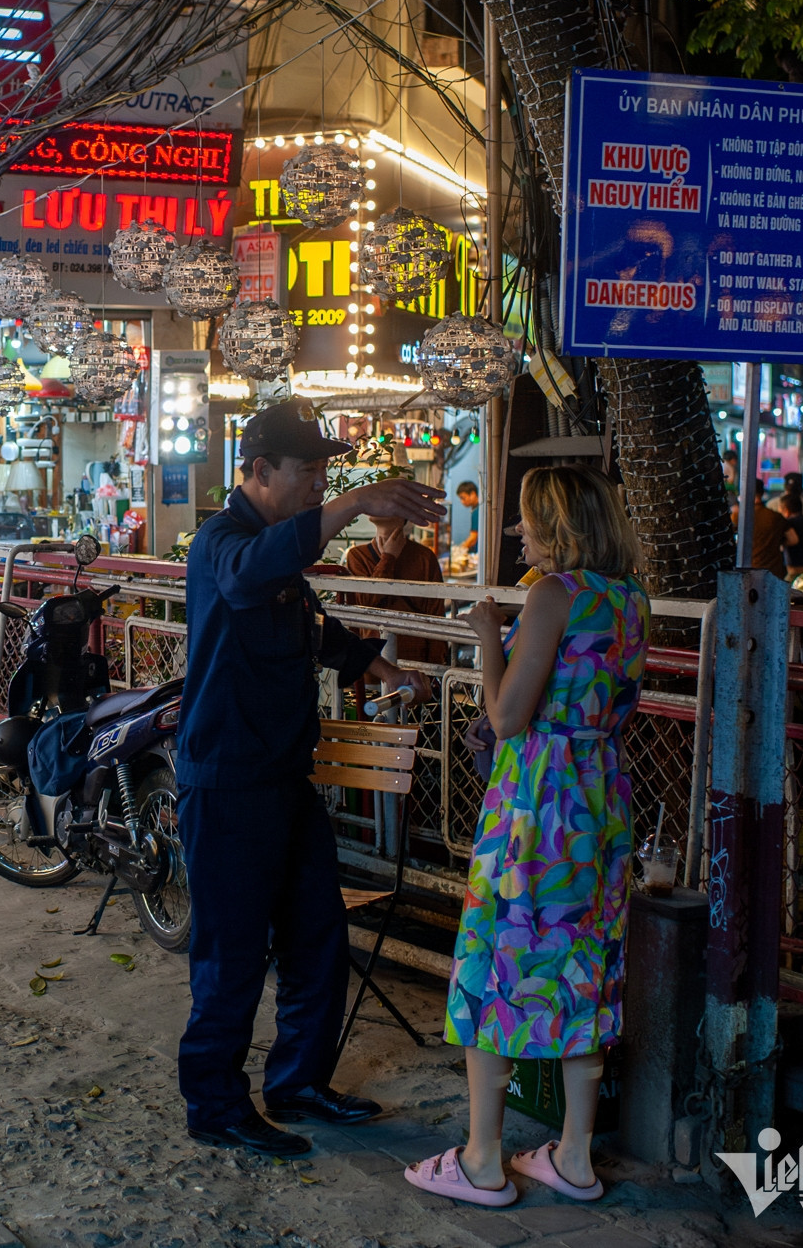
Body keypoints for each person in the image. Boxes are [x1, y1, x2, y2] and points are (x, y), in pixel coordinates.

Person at [178, 400, 445, 1157]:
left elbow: (314, 628)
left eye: (329, 473)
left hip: (284, 779)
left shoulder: (278, 556)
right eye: (311, 473)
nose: (318, 486)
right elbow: (245, 581)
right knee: (231, 956)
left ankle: (297, 1083)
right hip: (227, 782)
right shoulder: (222, 544)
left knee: (318, 940)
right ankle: (215, 1104)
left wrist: (382, 666)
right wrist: (353, 505)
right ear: (260, 471)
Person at [403, 464, 648, 1207]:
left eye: (529, 519)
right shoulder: (631, 600)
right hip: (599, 800)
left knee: (494, 962)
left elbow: (507, 717)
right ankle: (573, 1156)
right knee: (582, 967)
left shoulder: (553, 595)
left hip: (538, 802)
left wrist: (486, 637)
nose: (518, 530)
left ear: (561, 525)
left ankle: (483, 1159)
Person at [342, 514, 447, 664]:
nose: (376, 507)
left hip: (415, 663)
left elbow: (436, 618)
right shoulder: (357, 556)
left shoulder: (425, 557)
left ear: (404, 510)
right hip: (372, 663)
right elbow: (363, 604)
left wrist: (433, 671)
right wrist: (388, 557)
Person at [454, 481, 481, 555]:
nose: (462, 501)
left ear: (472, 494)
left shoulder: (477, 511)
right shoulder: (476, 509)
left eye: (463, 498)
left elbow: (473, 538)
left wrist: (459, 551)